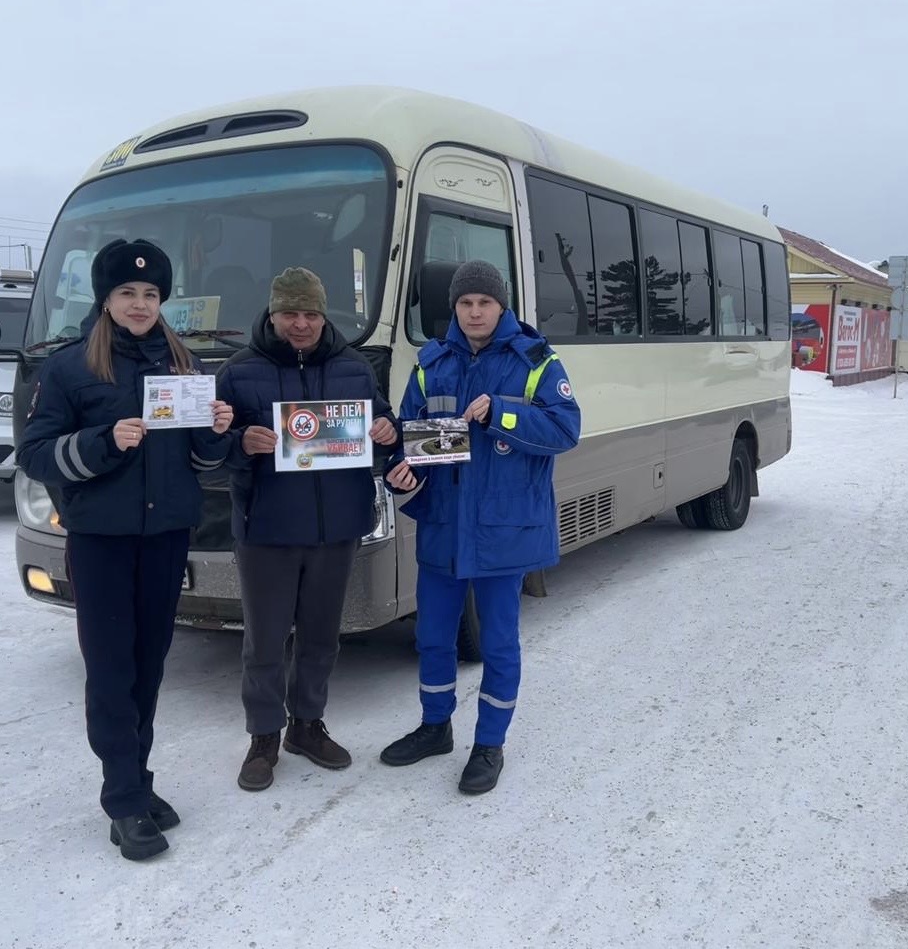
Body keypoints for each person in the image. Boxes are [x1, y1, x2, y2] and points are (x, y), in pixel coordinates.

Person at [17, 239, 234, 861]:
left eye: (150, 294)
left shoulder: (183, 363)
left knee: (150, 663)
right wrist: (103, 441)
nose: (139, 304)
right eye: (127, 293)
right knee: (112, 671)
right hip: (102, 542)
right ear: (106, 298)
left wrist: (214, 433)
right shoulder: (69, 369)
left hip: (165, 537)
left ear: (163, 301)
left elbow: (200, 461)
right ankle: (123, 799)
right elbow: (35, 454)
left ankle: (136, 780)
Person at [381, 259, 581, 794]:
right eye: (465, 303)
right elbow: (409, 437)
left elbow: (566, 429)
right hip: (443, 526)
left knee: (497, 643)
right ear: (455, 307)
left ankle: (489, 744)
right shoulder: (431, 363)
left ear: (502, 305)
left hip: (503, 529)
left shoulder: (535, 361)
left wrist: (503, 415)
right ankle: (435, 727)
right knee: (432, 638)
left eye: (484, 303)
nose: (474, 312)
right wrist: (401, 475)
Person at [217, 267, 398, 792]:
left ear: (324, 315)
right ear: (272, 315)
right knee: (265, 642)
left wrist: (387, 432)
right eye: (290, 313)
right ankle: (264, 735)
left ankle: (307, 725)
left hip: (336, 528)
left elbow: (381, 430)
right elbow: (207, 450)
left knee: (321, 637)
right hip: (267, 529)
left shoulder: (354, 369)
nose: (301, 324)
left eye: (311, 313)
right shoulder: (238, 371)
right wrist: (239, 446)